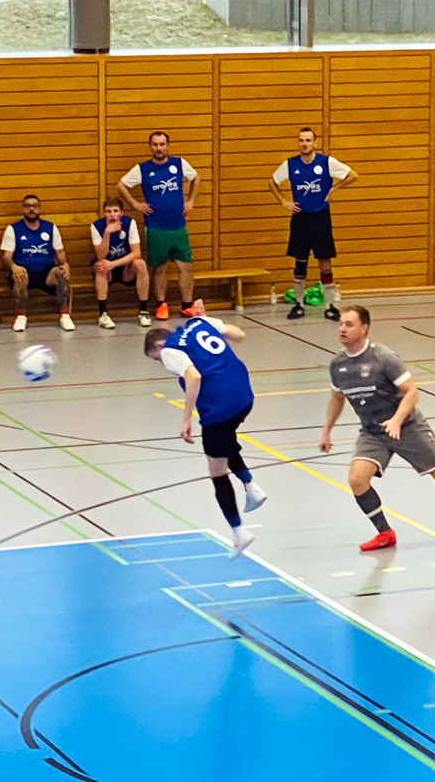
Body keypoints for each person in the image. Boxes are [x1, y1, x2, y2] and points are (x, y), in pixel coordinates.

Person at [319, 305, 435, 551]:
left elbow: (412, 392)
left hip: (407, 426)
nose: (342, 329)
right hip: (373, 432)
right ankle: (385, 533)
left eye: (349, 324)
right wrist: (326, 430)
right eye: (341, 324)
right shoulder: (338, 365)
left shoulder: (384, 358)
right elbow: (337, 397)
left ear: (364, 328)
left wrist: (397, 419)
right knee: (357, 479)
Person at [144, 300, 267, 556]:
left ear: (158, 345)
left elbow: (194, 376)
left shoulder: (169, 350)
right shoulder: (199, 322)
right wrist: (209, 320)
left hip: (220, 404)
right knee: (224, 440)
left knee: (217, 471)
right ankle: (251, 487)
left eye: (156, 359)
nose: (161, 363)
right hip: (244, 395)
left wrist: (186, 418)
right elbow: (239, 334)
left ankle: (239, 533)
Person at [269, 127, 357, 322]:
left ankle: (329, 305)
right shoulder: (290, 164)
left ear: (314, 143)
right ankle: (298, 305)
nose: (304, 144)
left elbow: (353, 175)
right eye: (301, 140)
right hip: (300, 218)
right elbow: (272, 182)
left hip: (320, 217)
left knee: (324, 262)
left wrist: (334, 188)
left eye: (308, 140)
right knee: (300, 261)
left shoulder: (326, 162)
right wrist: (284, 202)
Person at [118, 131, 200, 321]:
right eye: (155, 145)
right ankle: (161, 305)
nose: (159, 148)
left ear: (168, 146)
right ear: (150, 147)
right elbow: (121, 186)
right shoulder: (142, 169)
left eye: (162, 144)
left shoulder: (179, 164)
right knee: (159, 268)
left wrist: (191, 201)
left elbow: (196, 178)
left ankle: (187, 305)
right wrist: (136, 204)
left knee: (185, 266)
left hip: (178, 225)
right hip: (155, 227)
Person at [0, 194, 74, 332]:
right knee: (20, 275)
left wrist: (65, 264)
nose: (31, 209)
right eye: (27, 206)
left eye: (34, 206)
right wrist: (13, 267)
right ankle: (21, 316)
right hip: (24, 271)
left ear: (39, 208)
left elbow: (60, 253)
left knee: (61, 273)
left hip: (46, 272)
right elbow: (6, 256)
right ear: (23, 209)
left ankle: (65, 315)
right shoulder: (13, 229)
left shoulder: (50, 227)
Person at [91, 197, 151, 329]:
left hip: (125, 268)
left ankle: (143, 311)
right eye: (108, 211)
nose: (112, 214)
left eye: (115, 211)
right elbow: (100, 255)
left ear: (121, 213)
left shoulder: (129, 223)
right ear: (104, 213)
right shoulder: (96, 226)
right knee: (99, 266)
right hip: (107, 270)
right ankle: (103, 314)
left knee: (140, 264)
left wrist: (113, 264)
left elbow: (136, 253)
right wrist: (107, 233)